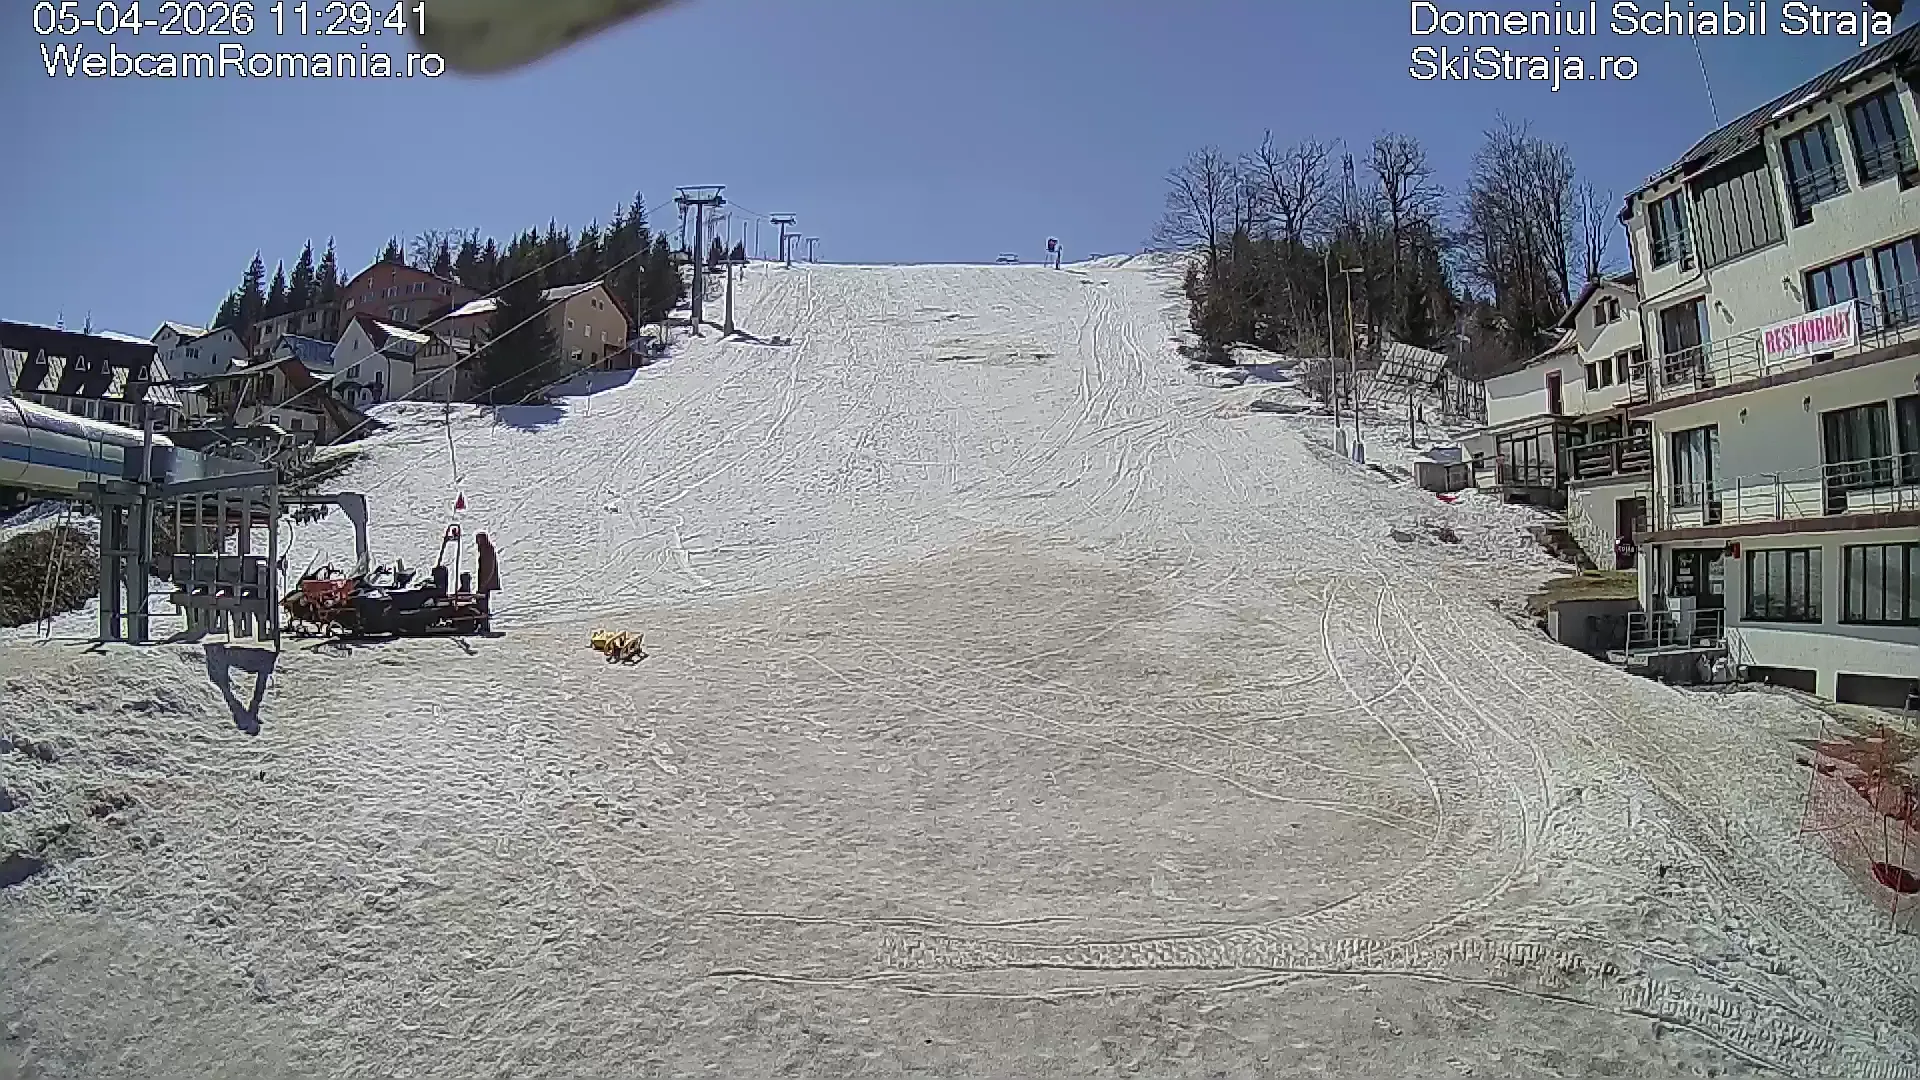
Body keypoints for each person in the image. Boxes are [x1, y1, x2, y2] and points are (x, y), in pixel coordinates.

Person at [474, 531, 501, 633]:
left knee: (483, 604)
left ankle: (484, 626)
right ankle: (482, 625)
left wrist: (484, 584)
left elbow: (489, 568)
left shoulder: (487, 550)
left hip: (486, 583)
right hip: (484, 582)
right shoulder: (484, 549)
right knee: (482, 603)